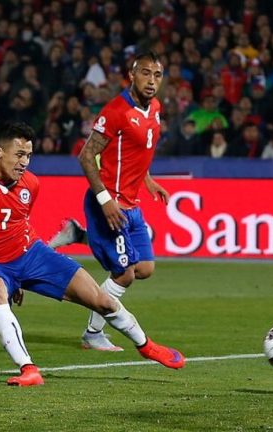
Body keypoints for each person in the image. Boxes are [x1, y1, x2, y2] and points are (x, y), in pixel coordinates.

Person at [0, 122, 185, 386]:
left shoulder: (31, 183)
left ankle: (146, 346)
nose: (25, 162)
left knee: (101, 300)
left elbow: (20, 222)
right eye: (19, 155)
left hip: (32, 254)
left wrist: (20, 278)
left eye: (29, 156)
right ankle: (29, 369)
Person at [76, 51, 171, 351]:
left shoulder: (154, 108)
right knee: (124, 274)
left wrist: (149, 180)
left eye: (157, 75)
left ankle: (81, 236)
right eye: (145, 73)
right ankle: (93, 334)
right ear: (131, 75)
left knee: (145, 268)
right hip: (110, 205)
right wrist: (104, 200)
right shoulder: (116, 110)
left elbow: (137, 153)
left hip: (132, 203)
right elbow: (86, 155)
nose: (151, 80)